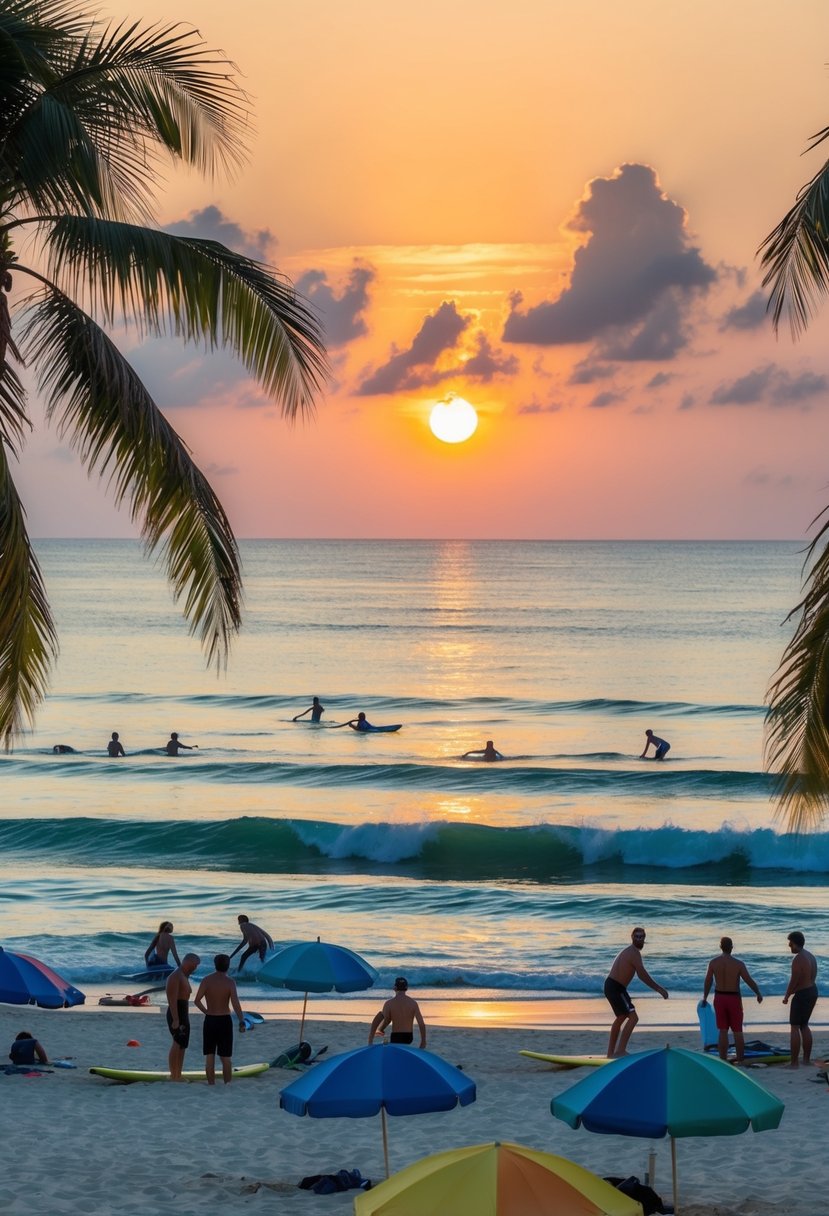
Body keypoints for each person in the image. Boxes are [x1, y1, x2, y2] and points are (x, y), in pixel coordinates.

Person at [604, 927, 669, 1057]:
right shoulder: (633, 953)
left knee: (621, 1017)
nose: (639, 939)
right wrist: (659, 989)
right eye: (637, 937)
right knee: (633, 1018)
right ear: (632, 937)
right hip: (615, 988)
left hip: (613, 987)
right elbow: (642, 974)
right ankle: (620, 1051)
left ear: (644, 939)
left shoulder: (631, 951)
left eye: (642, 937)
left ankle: (611, 1053)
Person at [700, 936, 763, 1063]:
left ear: (720, 947)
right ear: (732, 947)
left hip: (719, 998)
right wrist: (758, 993)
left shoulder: (713, 962)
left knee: (722, 1031)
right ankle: (740, 1060)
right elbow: (749, 980)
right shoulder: (738, 964)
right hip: (733, 998)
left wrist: (705, 997)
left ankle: (723, 1060)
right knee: (737, 1031)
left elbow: (708, 981)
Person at [194, 953, 246, 1084]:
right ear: (228, 966)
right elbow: (235, 1003)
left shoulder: (206, 980)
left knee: (210, 1055)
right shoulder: (230, 982)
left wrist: (206, 1011)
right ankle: (227, 1083)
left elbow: (197, 1001)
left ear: (215, 965)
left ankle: (211, 1084)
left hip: (210, 1020)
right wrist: (241, 1020)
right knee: (226, 1057)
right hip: (224, 1021)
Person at [783, 930, 819, 1067]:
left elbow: (794, 980)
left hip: (803, 994)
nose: (789, 946)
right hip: (812, 991)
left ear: (796, 943)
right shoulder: (810, 956)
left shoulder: (798, 959)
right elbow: (813, 975)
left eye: (790, 943)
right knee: (804, 1025)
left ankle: (794, 1063)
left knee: (794, 1027)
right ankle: (806, 1060)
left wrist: (787, 996)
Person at [165, 953, 200, 1080]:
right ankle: (173, 1075)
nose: (195, 968)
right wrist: (175, 1019)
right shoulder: (175, 976)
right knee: (177, 1041)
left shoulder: (184, 975)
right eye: (194, 965)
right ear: (188, 962)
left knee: (183, 1044)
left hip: (184, 1012)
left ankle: (178, 1074)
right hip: (177, 1012)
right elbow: (171, 999)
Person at [368, 977, 427, 1048]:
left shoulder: (389, 1003)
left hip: (395, 1036)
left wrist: (377, 1032)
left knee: (381, 1015)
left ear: (394, 988)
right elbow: (421, 1024)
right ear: (407, 988)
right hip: (408, 1037)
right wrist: (423, 1041)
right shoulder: (413, 1003)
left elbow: (384, 1020)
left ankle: (371, 1038)